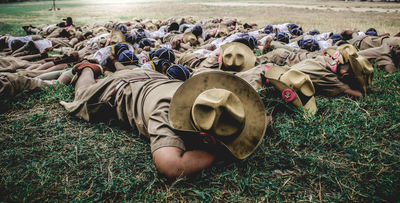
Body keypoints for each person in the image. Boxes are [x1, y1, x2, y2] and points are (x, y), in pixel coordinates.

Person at [60, 62, 267, 178]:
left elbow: (260, 120)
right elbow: (172, 166)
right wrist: (223, 151)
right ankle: (88, 68)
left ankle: (106, 70)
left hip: (152, 77)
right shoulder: (166, 113)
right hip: (119, 88)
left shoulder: (213, 97)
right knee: (83, 94)